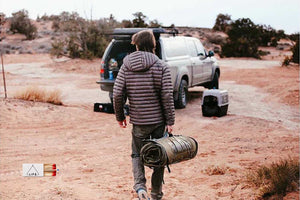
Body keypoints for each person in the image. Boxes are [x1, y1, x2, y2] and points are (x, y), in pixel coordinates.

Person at [113, 30, 175, 200]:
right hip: (158, 121)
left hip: (139, 121)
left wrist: (120, 116)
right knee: (160, 157)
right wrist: (170, 121)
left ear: (137, 44)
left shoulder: (126, 65)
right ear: (153, 45)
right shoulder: (162, 66)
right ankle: (156, 194)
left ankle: (140, 188)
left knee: (137, 154)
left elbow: (118, 93)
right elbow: (167, 96)